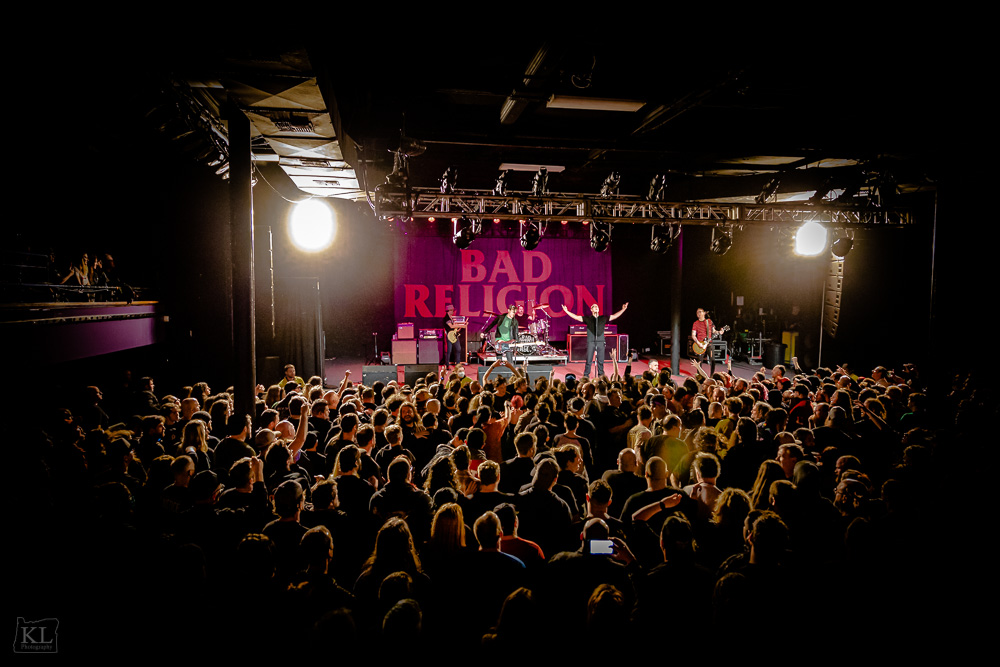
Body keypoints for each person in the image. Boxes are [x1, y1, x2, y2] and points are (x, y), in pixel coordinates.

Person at [561, 301, 629, 379]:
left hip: (600, 341)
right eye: (594, 307)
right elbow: (576, 317)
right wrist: (566, 311)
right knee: (589, 359)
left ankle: (601, 375)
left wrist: (623, 309)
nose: (596, 307)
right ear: (591, 310)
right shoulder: (588, 319)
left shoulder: (603, 318)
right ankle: (586, 375)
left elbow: (614, 316)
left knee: (601, 360)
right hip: (591, 341)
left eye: (597, 307)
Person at [690, 308, 716, 376]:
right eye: (697, 312)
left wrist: (720, 332)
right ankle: (699, 376)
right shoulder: (695, 323)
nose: (698, 313)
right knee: (699, 362)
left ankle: (712, 376)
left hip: (709, 343)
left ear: (704, 313)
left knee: (713, 359)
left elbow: (714, 331)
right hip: (700, 344)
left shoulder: (709, 321)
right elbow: (693, 335)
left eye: (700, 312)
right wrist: (698, 343)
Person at [442, 304, 466, 369]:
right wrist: (461, 325)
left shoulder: (451, 318)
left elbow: (454, 328)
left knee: (458, 349)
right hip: (449, 336)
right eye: (452, 310)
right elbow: (451, 326)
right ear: (449, 311)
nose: (453, 311)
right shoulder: (446, 318)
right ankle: (447, 364)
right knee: (449, 351)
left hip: (454, 335)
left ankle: (457, 364)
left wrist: (459, 328)